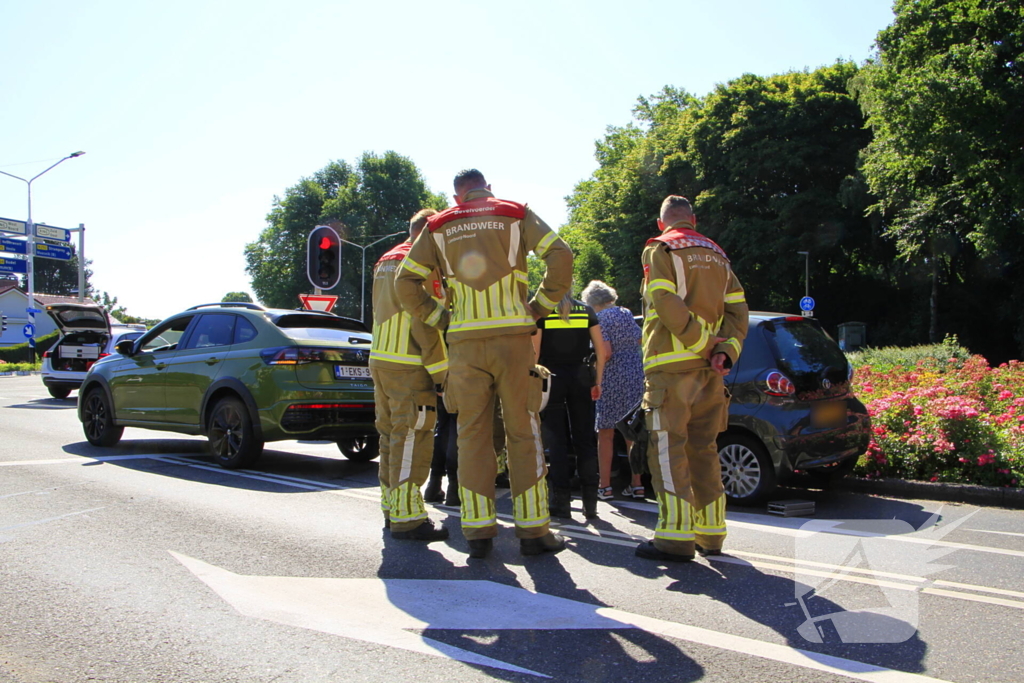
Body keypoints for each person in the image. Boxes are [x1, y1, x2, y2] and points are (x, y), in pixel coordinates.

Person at [395, 169, 574, 559]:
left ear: (457, 198)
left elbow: (405, 283)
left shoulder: (439, 224)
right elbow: (561, 255)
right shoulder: (514, 212)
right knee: (523, 431)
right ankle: (533, 532)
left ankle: (477, 533)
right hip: (513, 340)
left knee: (471, 435)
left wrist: (441, 318)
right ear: (487, 188)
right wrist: (540, 307)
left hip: (463, 346)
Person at [635, 195, 748, 562]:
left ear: (661, 223)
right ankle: (711, 535)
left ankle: (674, 538)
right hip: (710, 373)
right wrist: (724, 350)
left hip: (672, 369)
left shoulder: (661, 248)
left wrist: (700, 343)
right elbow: (738, 310)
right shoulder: (718, 254)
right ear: (694, 220)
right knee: (704, 449)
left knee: (668, 450)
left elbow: (664, 301)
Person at [369, 208, 450, 542]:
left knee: (389, 436)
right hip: (410, 362)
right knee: (413, 438)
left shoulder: (385, 258)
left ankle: (391, 509)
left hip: (381, 359)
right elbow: (425, 321)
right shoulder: (420, 264)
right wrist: (442, 373)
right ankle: (408, 519)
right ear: (428, 232)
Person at [533, 291, 607, 520]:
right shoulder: (586, 310)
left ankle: (561, 502)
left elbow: (534, 353)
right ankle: (591, 504)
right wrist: (598, 381)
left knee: (556, 442)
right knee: (585, 439)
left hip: (552, 379)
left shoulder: (543, 312)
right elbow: (601, 351)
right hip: (581, 377)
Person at [580, 280, 645, 501]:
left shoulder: (600, 318)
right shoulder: (625, 312)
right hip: (636, 375)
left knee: (606, 433)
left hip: (612, 378)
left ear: (592, 303)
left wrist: (596, 380)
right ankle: (637, 485)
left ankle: (605, 487)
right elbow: (640, 339)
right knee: (632, 432)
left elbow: (605, 352)